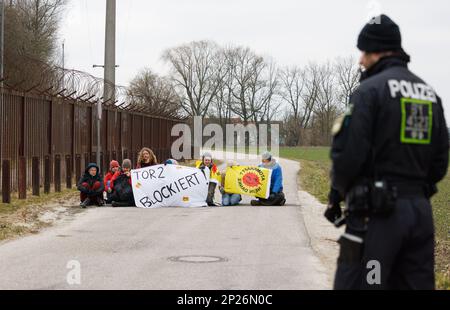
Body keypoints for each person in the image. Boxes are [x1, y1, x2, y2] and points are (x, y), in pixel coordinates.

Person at [326, 15, 449, 290]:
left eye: (364, 52)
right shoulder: (430, 95)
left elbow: (347, 158)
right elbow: (440, 162)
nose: (360, 60)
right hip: (419, 215)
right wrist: (414, 191)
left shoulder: (369, 92)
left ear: (377, 51)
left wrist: (343, 193)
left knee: (362, 282)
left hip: (376, 216)